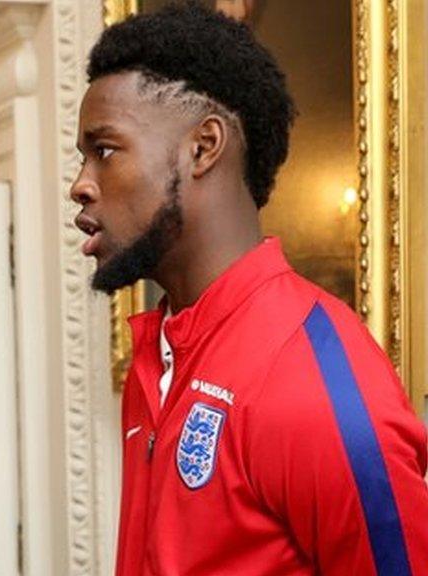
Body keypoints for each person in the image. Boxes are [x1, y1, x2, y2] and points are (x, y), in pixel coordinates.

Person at [71, 4, 428, 575]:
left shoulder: (311, 377)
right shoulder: (158, 352)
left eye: (105, 151)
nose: (80, 185)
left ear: (203, 146)